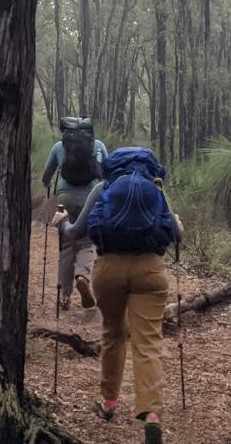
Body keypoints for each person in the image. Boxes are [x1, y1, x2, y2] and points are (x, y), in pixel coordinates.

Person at [53, 147, 183, 444]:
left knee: (113, 334)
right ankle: (150, 414)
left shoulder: (103, 188)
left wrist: (61, 220)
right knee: (147, 341)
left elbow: (75, 232)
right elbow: (176, 236)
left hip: (109, 269)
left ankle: (109, 403)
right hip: (150, 270)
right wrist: (180, 225)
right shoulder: (155, 188)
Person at [42, 117, 108, 310]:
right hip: (91, 197)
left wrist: (46, 183)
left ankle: (65, 295)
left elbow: (47, 175)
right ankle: (82, 276)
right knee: (87, 243)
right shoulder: (98, 146)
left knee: (67, 246)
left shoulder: (58, 146)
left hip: (65, 198)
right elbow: (108, 172)